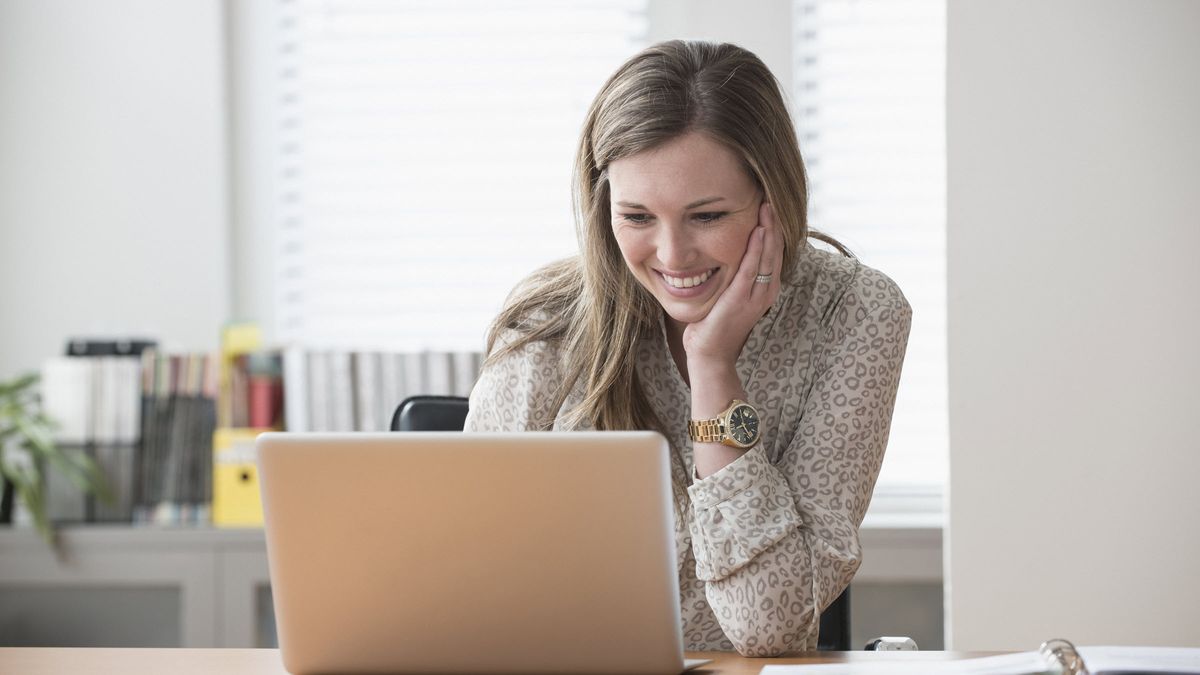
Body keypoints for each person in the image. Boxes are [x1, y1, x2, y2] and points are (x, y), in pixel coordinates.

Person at [464, 40, 912, 657]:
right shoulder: (546, 324)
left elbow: (769, 626)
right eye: (638, 217)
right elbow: (467, 584)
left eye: (706, 216)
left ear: (772, 201)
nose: (672, 258)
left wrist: (712, 368)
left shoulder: (855, 314)